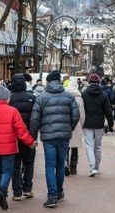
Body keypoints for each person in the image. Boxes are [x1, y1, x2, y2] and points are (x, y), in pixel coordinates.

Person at [0, 84, 36, 210]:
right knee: (7, 171)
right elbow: (21, 130)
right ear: (7, 99)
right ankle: (2, 191)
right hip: (9, 148)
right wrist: (30, 142)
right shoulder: (13, 111)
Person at [30, 70, 80, 208]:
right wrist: (69, 128)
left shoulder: (41, 97)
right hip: (64, 136)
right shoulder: (69, 97)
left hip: (48, 136)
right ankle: (59, 192)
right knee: (60, 165)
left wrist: (33, 136)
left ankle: (52, 196)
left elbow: (35, 119)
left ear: (48, 82)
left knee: (50, 166)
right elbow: (76, 116)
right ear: (60, 81)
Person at [8, 74, 37, 201]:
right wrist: (34, 135)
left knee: (15, 165)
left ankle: (17, 192)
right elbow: (35, 119)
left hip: (13, 137)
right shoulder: (32, 98)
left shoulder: (9, 98)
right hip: (29, 136)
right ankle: (28, 189)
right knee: (29, 163)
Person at [81, 73, 114, 177]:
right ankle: (97, 166)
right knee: (98, 146)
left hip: (87, 123)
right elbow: (108, 111)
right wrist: (111, 124)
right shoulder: (103, 95)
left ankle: (92, 167)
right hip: (99, 123)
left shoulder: (84, 94)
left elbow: (81, 110)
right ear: (99, 82)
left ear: (89, 82)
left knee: (89, 146)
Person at [65, 78, 85, 176]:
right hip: (76, 125)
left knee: (66, 146)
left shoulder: (64, 96)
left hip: (66, 124)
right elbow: (82, 114)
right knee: (75, 148)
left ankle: (66, 164)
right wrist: (81, 124)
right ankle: (73, 168)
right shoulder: (79, 98)